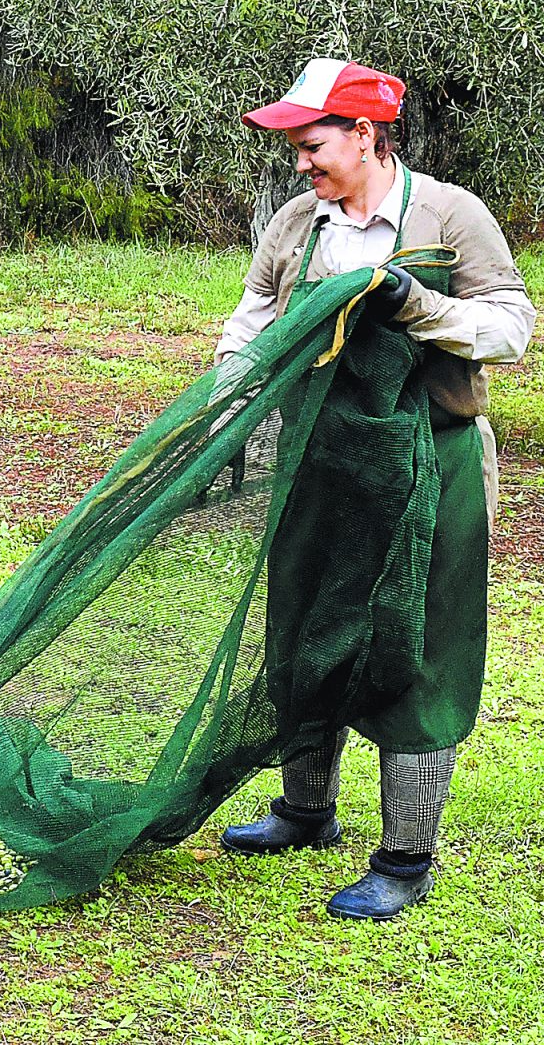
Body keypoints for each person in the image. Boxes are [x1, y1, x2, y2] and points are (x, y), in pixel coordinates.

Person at [214, 59, 535, 920]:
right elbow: (249, 323)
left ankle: (405, 858)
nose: (299, 164)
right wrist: (223, 420)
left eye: (310, 144)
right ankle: (305, 810)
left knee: (416, 644)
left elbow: (511, 328)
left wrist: (417, 306)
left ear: (365, 134)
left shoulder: (449, 214)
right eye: (293, 147)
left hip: (434, 458)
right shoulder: (295, 222)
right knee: (309, 621)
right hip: (319, 456)